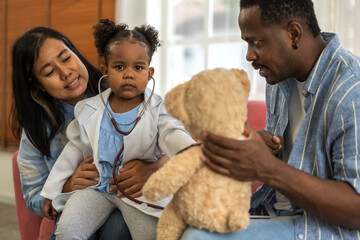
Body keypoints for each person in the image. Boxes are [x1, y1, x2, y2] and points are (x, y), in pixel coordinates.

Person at [181, 0, 360, 239]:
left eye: (257, 42)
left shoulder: (351, 90)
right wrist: (261, 149)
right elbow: (287, 160)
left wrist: (268, 168)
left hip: (321, 229)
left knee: (197, 237)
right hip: (275, 212)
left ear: (293, 34)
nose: (249, 55)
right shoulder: (279, 80)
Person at [40, 19, 195, 240]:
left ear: (149, 73)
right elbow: (72, 152)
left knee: (152, 235)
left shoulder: (159, 108)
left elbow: (172, 133)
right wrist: (51, 191)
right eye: (119, 67)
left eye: (138, 67)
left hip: (137, 191)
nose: (129, 74)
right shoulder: (89, 109)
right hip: (97, 189)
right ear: (105, 69)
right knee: (67, 231)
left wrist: (189, 150)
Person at [10, 26, 167, 240]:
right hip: (82, 203)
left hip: (128, 198)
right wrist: (66, 185)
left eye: (66, 58)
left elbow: (181, 147)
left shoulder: (129, 93)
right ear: (38, 86)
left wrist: (154, 167)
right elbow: (34, 197)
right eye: (49, 72)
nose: (66, 73)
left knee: (117, 227)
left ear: (76, 53)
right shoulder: (37, 132)